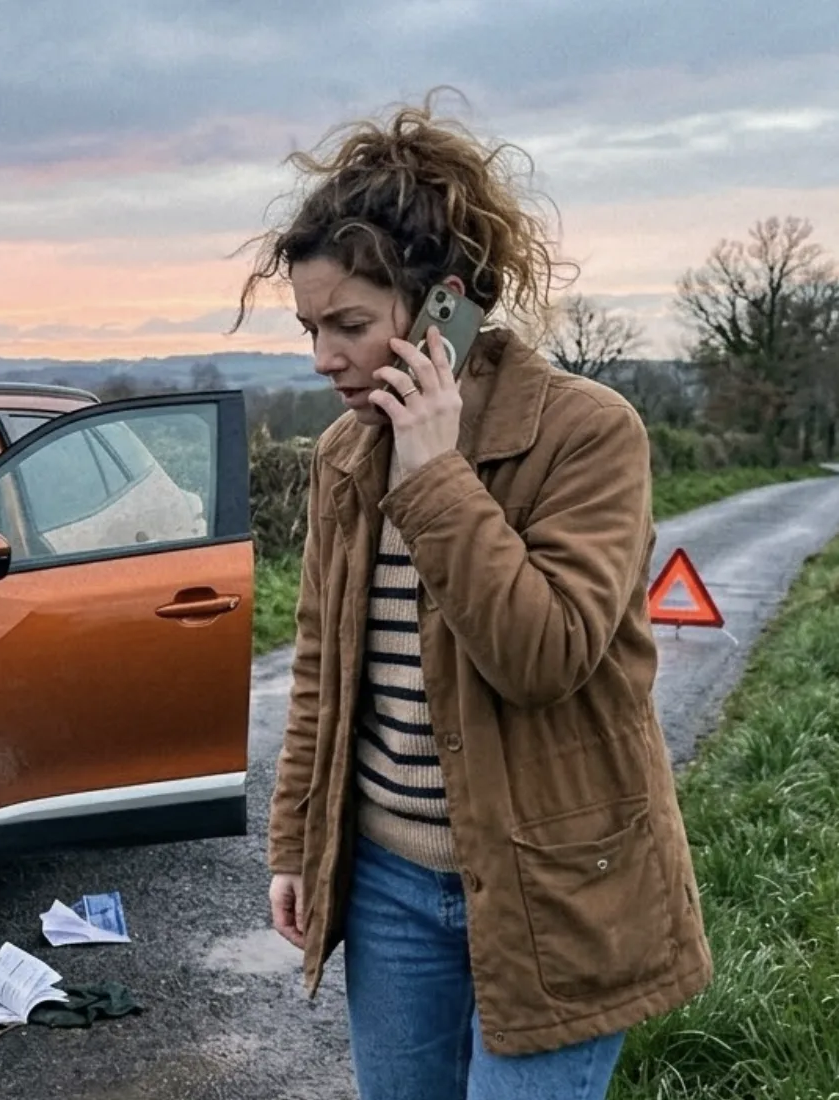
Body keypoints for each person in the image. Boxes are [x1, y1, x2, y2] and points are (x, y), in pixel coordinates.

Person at [234, 90, 713, 1099]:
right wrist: (295, 845)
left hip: (558, 890)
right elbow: (319, 668)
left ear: (441, 307)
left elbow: (544, 654)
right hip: (387, 890)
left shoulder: (587, 434)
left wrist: (433, 473)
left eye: (348, 324)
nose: (322, 358)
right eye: (309, 328)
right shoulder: (340, 456)